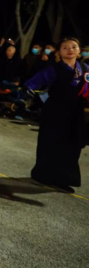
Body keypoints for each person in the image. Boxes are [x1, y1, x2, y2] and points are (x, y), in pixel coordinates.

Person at [24, 38, 88, 192]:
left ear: (79, 51)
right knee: (50, 143)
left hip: (76, 113)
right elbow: (35, 81)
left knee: (72, 146)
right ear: (59, 52)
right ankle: (42, 175)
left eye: (74, 47)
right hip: (55, 111)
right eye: (65, 47)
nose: (70, 49)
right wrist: (29, 88)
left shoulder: (85, 69)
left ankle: (63, 179)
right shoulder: (53, 68)